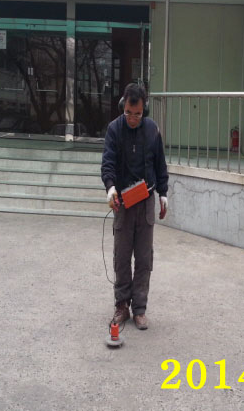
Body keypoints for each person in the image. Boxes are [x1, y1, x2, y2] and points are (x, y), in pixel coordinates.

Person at [101, 83, 169, 330]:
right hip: (123, 202)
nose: (132, 118)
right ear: (123, 106)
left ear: (144, 110)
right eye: (128, 113)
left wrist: (163, 194)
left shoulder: (152, 130)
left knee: (144, 258)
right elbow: (108, 163)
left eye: (137, 114)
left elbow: (160, 164)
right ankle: (122, 306)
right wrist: (110, 188)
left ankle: (139, 309)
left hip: (146, 200)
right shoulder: (114, 129)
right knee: (121, 257)